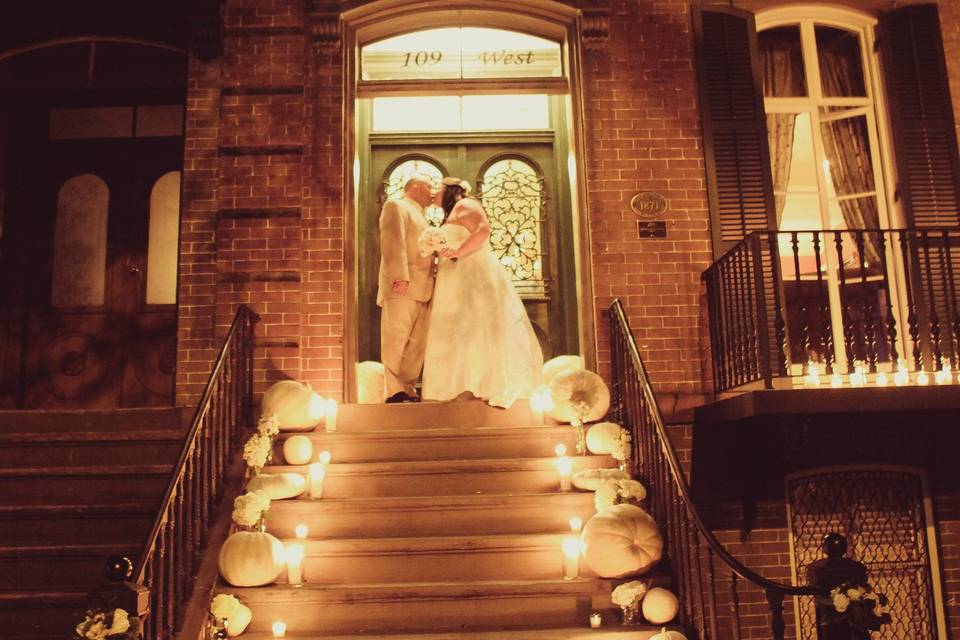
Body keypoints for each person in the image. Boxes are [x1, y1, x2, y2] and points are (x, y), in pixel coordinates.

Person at [422, 177, 544, 408]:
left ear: (451, 190)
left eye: (437, 188)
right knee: (460, 328)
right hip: (455, 274)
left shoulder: (465, 205)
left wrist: (458, 250)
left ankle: (482, 385)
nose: (433, 193)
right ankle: (461, 384)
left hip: (471, 272)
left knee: (476, 326)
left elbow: (483, 230)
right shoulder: (452, 212)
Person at [377, 175, 435, 403]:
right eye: (429, 186)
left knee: (416, 344)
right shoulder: (396, 206)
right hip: (402, 285)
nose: (433, 191)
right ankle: (393, 389)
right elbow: (393, 240)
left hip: (424, 287)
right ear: (415, 187)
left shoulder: (423, 217)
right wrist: (400, 276)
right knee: (396, 338)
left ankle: (408, 387)